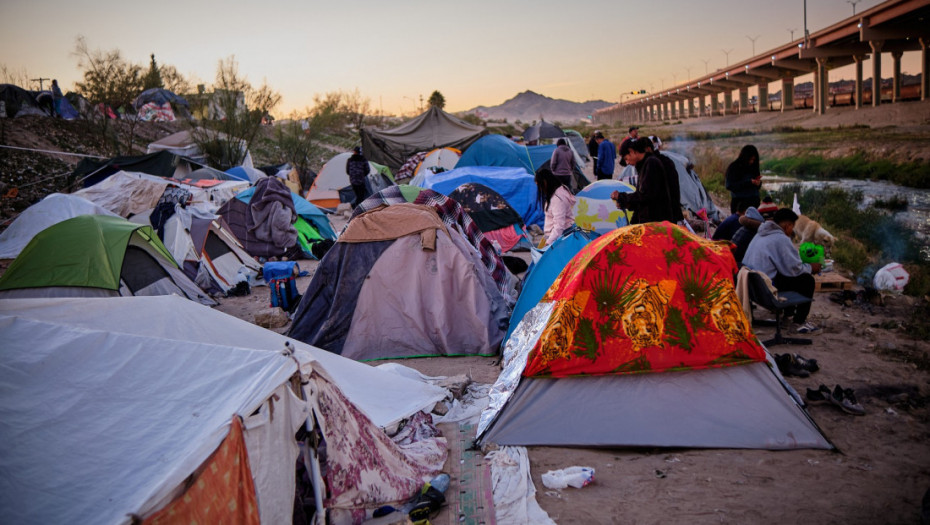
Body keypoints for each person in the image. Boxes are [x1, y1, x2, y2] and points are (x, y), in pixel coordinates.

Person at [742, 208, 821, 333]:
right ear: (787, 225)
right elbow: (794, 269)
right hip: (767, 291)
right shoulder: (781, 238)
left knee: (785, 276)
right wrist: (812, 267)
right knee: (807, 280)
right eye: (792, 227)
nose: (792, 230)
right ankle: (799, 322)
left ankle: (787, 317)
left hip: (754, 288)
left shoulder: (760, 234)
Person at [611, 138, 678, 224]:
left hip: (657, 222)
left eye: (626, 158)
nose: (627, 162)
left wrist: (622, 197)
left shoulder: (651, 163)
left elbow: (646, 195)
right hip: (651, 220)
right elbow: (643, 197)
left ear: (631, 151)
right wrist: (627, 203)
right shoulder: (643, 165)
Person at [535, 167, 576, 247]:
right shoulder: (560, 191)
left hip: (558, 238)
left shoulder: (558, 199)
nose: (539, 189)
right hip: (557, 236)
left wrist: (549, 242)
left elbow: (559, 225)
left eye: (539, 185)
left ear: (545, 183)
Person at [725, 145, 762, 214]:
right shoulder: (734, 167)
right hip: (739, 204)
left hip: (754, 204)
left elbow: (757, 187)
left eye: (753, 160)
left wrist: (758, 183)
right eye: (750, 159)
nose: (752, 162)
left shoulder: (754, 167)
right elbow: (729, 185)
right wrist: (748, 183)